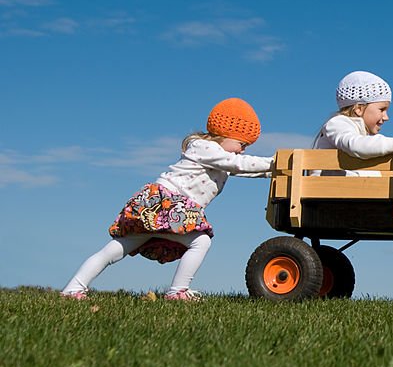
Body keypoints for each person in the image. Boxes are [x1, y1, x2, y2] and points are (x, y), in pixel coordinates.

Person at [61, 98, 274, 301]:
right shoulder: (205, 148)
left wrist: (276, 171)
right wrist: (277, 162)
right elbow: (240, 164)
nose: (243, 150)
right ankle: (177, 291)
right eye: (242, 144)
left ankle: (73, 288)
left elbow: (245, 170)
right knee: (200, 241)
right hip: (168, 203)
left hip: (163, 207)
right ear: (223, 134)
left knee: (116, 249)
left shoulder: (220, 159)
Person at [311, 70, 393, 175]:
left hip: (347, 194)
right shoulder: (337, 124)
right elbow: (357, 146)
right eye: (382, 110)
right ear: (359, 109)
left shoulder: (363, 137)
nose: (386, 117)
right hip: (326, 194)